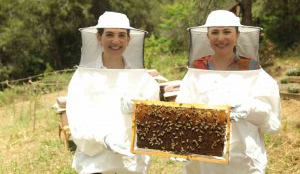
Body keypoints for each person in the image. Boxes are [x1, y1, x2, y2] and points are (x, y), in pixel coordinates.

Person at [176, 10, 281, 174]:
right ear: (208, 36)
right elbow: (181, 110)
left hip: (244, 160)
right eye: (215, 32)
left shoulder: (251, 68)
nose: (221, 38)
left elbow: (272, 123)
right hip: (203, 160)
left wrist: (250, 108)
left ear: (237, 35)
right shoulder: (197, 68)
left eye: (227, 32)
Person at [66, 11, 160, 174]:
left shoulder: (142, 77)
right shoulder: (84, 76)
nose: (115, 41)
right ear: (99, 37)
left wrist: (140, 107)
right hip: (95, 164)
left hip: (131, 165)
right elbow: (76, 119)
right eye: (109, 34)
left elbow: (155, 120)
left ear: (128, 39)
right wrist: (101, 139)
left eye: (121, 35)